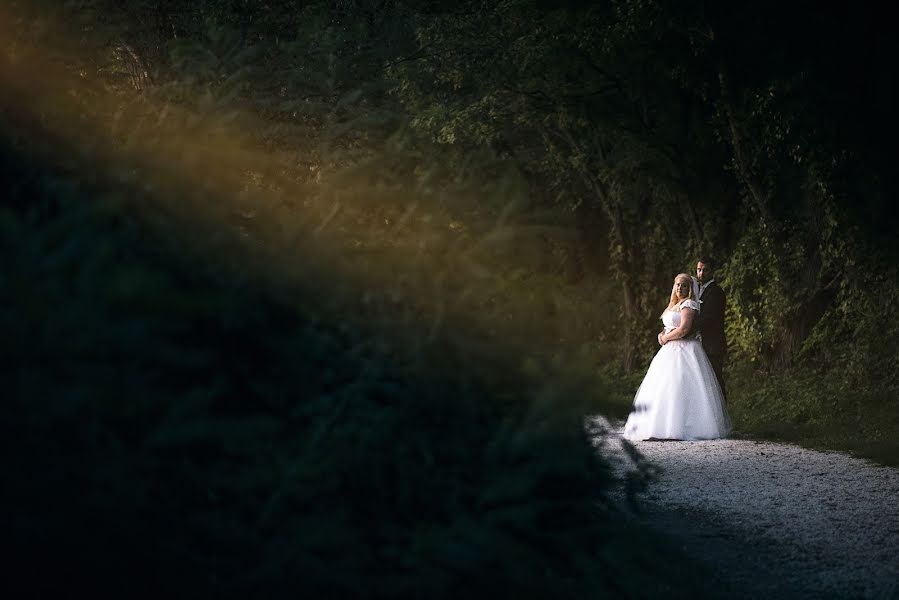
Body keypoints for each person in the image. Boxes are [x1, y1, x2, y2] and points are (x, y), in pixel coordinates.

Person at [622, 273, 730, 441]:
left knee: (681, 385)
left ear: (689, 288)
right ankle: (660, 426)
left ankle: (683, 426)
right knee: (664, 387)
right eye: (678, 285)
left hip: (685, 349)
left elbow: (684, 329)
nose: (680, 288)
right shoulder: (673, 305)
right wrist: (662, 333)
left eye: (684, 285)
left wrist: (665, 338)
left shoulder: (688, 304)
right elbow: (670, 325)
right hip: (669, 351)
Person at [694, 257, 727, 400]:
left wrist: (685, 327)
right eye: (699, 270)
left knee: (715, 379)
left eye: (705, 270)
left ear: (712, 271)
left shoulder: (716, 293)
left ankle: (721, 414)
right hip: (699, 342)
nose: (701, 273)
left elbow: (707, 318)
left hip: (713, 344)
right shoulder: (696, 290)